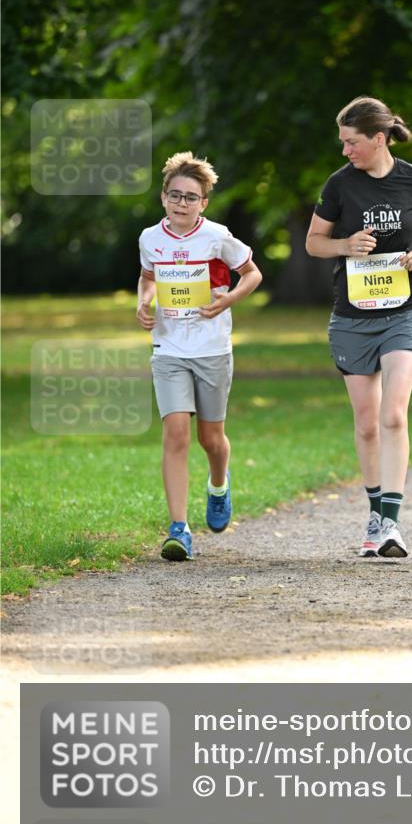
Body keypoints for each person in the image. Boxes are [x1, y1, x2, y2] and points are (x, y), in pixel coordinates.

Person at [305, 96, 412, 558]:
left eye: (351, 142)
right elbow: (314, 242)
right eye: (342, 142)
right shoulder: (339, 185)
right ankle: (375, 514)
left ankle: (391, 524)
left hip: (405, 313)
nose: (345, 150)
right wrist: (345, 245)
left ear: (378, 139)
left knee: (393, 414)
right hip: (353, 318)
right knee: (367, 423)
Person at [137, 151, 262, 561]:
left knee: (211, 439)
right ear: (163, 197)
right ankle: (178, 529)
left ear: (203, 203)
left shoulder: (217, 236)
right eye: (175, 195)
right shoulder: (150, 239)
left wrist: (227, 301)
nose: (181, 203)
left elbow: (252, 274)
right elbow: (148, 278)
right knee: (175, 433)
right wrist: (143, 302)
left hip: (211, 349)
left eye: (191, 197)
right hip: (169, 348)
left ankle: (219, 485)